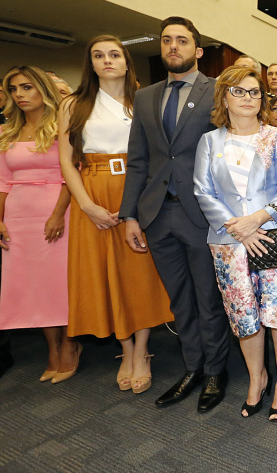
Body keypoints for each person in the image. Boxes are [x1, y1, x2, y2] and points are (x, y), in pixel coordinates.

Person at [121, 16, 230, 413]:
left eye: (182, 41)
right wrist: (130, 215)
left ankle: (217, 371)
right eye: (167, 40)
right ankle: (193, 367)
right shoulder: (146, 96)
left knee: (208, 297)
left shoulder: (217, 92)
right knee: (180, 300)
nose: (173, 47)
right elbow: (138, 161)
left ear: (198, 51)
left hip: (202, 214)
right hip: (156, 215)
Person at [58, 35, 173, 394]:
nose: (106, 60)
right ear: (90, 63)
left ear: (126, 61)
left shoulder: (147, 99)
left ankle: (141, 350)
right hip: (92, 194)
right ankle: (124, 350)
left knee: (138, 275)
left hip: (137, 192)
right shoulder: (73, 104)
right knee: (104, 275)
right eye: (98, 55)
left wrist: (138, 205)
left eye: (114, 54)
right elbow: (66, 161)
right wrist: (87, 206)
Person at [193, 66, 277, 421]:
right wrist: (239, 229)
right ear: (224, 97)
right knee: (245, 316)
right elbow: (203, 192)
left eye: (255, 92)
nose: (248, 98)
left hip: (274, 237)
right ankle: (258, 379)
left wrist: (255, 221)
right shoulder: (210, 141)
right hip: (227, 241)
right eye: (239, 91)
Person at [0, 66, 77, 384]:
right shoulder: (6, 133)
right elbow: (3, 182)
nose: (19, 94)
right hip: (19, 216)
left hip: (58, 212)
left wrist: (58, 214)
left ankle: (71, 346)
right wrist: (0, 220)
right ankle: (52, 349)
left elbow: (72, 174)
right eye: (14, 89)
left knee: (60, 282)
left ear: (42, 89)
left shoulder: (63, 126)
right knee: (34, 286)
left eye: (27, 87)